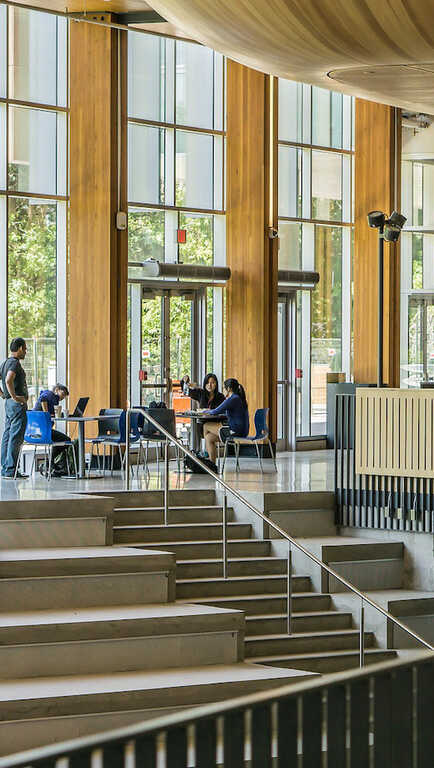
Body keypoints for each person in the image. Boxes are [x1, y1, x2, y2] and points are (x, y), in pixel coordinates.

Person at [201, 378, 249, 466]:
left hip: (235, 431)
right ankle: (212, 465)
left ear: (229, 389)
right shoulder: (238, 398)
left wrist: (203, 411)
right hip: (241, 431)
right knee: (208, 438)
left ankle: (205, 453)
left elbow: (215, 411)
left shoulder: (233, 398)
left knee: (206, 426)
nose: (223, 390)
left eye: (224, 388)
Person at [0, 338, 29, 479]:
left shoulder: (5, 363)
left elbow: (7, 380)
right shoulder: (14, 363)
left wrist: (4, 395)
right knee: (16, 437)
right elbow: (8, 379)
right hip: (16, 405)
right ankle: (11, 470)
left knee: (7, 435)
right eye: (25, 349)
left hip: (9, 404)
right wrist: (15, 397)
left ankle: (5, 469)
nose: (26, 352)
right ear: (20, 348)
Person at [33, 384, 70, 476]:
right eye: (63, 393)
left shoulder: (51, 399)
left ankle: (50, 464)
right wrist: (46, 414)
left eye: (65, 396)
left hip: (36, 431)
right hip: (42, 431)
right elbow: (43, 398)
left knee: (60, 439)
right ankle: (49, 463)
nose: (63, 397)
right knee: (67, 440)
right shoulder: (50, 394)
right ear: (56, 389)